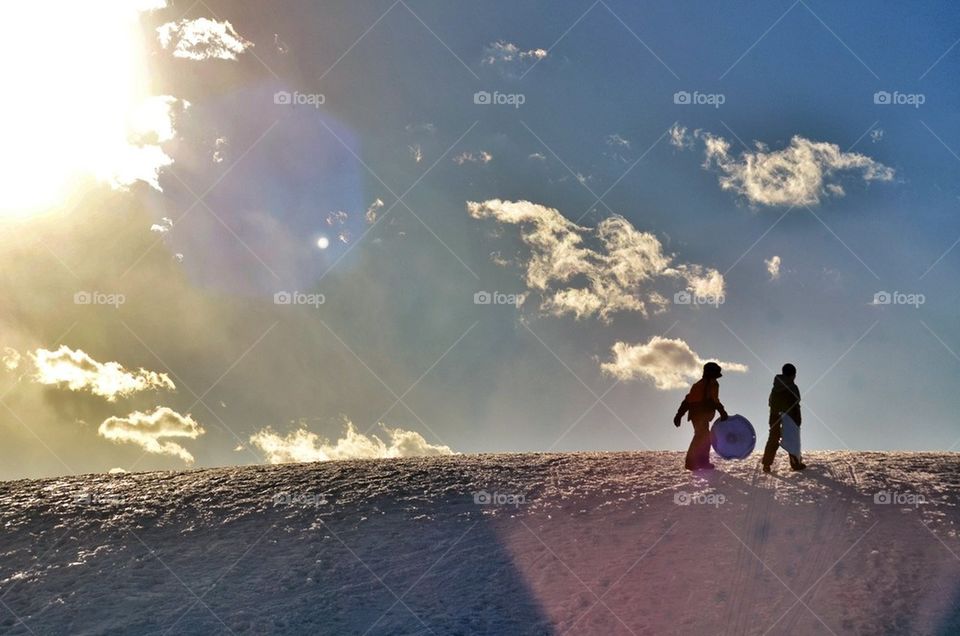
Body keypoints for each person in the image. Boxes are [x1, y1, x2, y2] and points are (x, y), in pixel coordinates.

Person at [673, 362, 729, 470]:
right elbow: (713, 400)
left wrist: (679, 415)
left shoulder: (702, 384)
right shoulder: (708, 384)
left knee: (703, 437)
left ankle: (701, 462)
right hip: (699, 414)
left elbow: (687, 400)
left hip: (699, 415)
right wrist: (722, 411)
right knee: (701, 437)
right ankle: (693, 463)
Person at [762, 363, 807, 472]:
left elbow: (770, 402)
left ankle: (767, 464)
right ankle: (795, 464)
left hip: (774, 416)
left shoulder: (775, 387)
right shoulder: (793, 387)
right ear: (793, 375)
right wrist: (797, 419)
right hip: (790, 417)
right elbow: (796, 402)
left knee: (773, 438)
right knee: (792, 440)